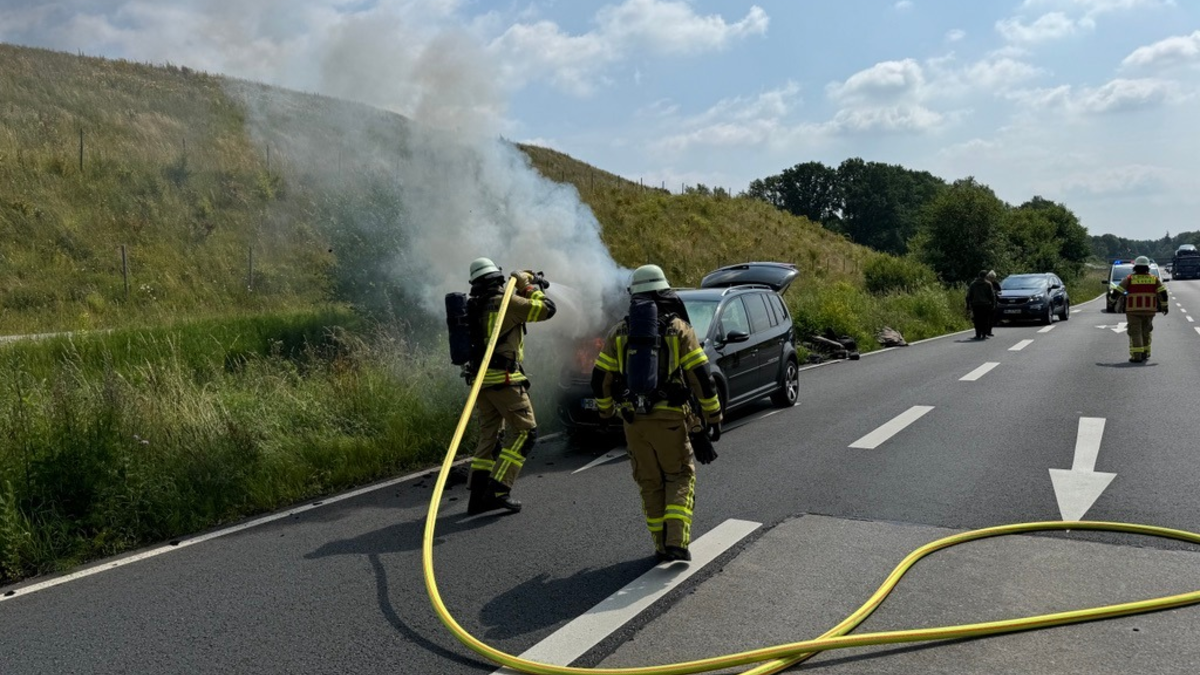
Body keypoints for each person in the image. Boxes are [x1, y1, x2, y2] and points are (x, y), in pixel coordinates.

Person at [590, 264, 722, 562]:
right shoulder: (679, 329)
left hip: (633, 422)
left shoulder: (619, 331)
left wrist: (606, 411)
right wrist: (713, 417)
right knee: (679, 476)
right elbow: (701, 376)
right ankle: (677, 542)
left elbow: (600, 379)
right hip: (671, 420)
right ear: (665, 292)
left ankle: (661, 545)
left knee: (649, 482)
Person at [464, 257, 557, 515]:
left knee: (489, 437)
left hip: (481, 383)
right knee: (526, 433)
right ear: (497, 278)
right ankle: (498, 489)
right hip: (505, 382)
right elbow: (547, 309)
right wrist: (528, 285)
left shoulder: (474, 306)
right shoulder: (508, 303)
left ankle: (477, 498)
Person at [1120, 255, 1168, 363]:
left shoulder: (1129, 279)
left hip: (1133, 311)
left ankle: (1137, 356)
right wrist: (1165, 306)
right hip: (1149, 311)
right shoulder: (1154, 279)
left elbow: (1118, 290)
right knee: (1146, 331)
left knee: (1135, 332)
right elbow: (1163, 293)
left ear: (1135, 267)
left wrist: (1112, 300)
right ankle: (1146, 353)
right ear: (1147, 267)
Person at [965, 270, 997, 340]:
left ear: (979, 275)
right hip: (986, 305)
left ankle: (978, 334)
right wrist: (993, 304)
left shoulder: (973, 284)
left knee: (977, 320)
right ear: (986, 276)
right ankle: (984, 334)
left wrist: (968, 305)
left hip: (976, 305)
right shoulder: (988, 284)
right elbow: (992, 295)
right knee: (985, 320)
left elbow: (969, 296)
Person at [986, 271, 1001, 337]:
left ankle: (989, 331)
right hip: (986, 302)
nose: (992, 279)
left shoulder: (996, 284)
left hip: (994, 302)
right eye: (990, 277)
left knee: (992, 318)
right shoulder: (986, 283)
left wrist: (996, 292)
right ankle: (985, 331)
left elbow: (1000, 291)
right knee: (986, 317)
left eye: (993, 277)